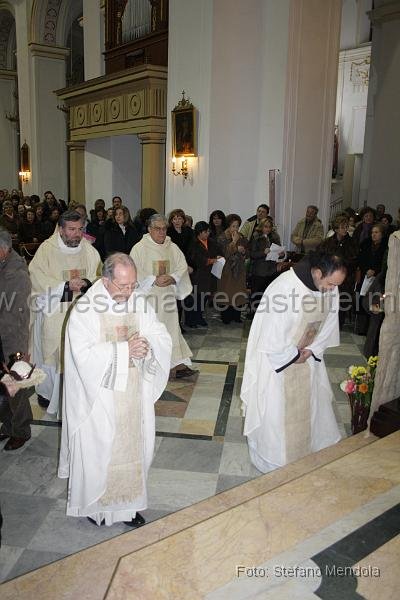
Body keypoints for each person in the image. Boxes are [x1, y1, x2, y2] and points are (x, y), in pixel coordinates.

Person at [58, 253, 172, 526]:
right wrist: (123, 351)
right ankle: (97, 507)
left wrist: (148, 345)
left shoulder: (137, 300)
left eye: (132, 285)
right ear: (105, 279)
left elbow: (159, 333)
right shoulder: (85, 309)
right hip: (100, 397)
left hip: (134, 393)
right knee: (101, 451)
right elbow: (82, 357)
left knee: (134, 449)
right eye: (123, 286)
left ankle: (128, 506)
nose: (129, 291)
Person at [241, 251, 346, 473]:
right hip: (278, 365)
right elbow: (271, 335)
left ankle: (308, 450)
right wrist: (292, 355)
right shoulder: (284, 288)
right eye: (329, 284)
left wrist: (311, 349)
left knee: (312, 409)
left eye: (336, 285)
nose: (332, 290)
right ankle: (273, 460)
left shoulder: (330, 287)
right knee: (277, 415)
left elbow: (328, 323)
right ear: (317, 273)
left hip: (308, 359)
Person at [29, 210, 101, 414]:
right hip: (55, 311)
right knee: (53, 354)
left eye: (80, 229)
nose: (77, 234)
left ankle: (78, 395)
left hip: (83, 312)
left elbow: (98, 276)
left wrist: (86, 283)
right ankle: (49, 394)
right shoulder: (47, 250)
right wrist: (65, 286)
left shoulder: (88, 250)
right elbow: (36, 278)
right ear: (60, 229)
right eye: (72, 229)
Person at [130, 214, 196, 379]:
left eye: (164, 229)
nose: (161, 232)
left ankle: (176, 364)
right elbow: (133, 271)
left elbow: (182, 266)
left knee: (171, 329)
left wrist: (173, 277)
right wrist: (153, 280)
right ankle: (151, 364)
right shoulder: (139, 248)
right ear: (149, 229)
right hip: (148, 298)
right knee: (151, 331)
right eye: (157, 229)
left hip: (167, 297)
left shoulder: (171, 247)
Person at [0, 229, 33, 450]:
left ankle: (21, 430)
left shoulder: (16, 273)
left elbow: (12, 313)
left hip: (11, 338)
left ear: (3, 250)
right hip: (3, 335)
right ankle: (9, 426)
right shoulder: (3, 263)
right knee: (3, 386)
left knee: (15, 385)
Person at [185, 221, 220, 328]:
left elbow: (218, 252)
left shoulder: (212, 242)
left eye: (208, 231)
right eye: (205, 232)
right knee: (195, 298)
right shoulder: (193, 243)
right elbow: (195, 259)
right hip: (198, 275)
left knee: (204, 297)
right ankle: (191, 320)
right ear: (199, 233)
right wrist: (211, 260)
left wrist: (218, 258)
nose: (207, 234)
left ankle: (199, 318)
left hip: (210, 274)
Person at [249, 216, 285, 315]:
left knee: (268, 294)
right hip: (259, 270)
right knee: (256, 294)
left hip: (271, 270)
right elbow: (251, 254)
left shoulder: (275, 236)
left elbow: (280, 251)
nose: (267, 229)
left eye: (269, 227)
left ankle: (265, 314)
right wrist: (263, 253)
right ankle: (253, 314)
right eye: (265, 227)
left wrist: (282, 254)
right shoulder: (256, 237)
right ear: (261, 227)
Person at [216, 214, 248, 324]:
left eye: (237, 226)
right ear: (228, 226)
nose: (235, 229)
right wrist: (234, 243)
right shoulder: (222, 237)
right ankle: (226, 317)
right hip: (227, 269)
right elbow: (224, 253)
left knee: (238, 293)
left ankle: (236, 316)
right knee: (226, 293)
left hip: (239, 269)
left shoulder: (241, 236)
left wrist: (243, 251)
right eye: (233, 226)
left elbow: (247, 252)